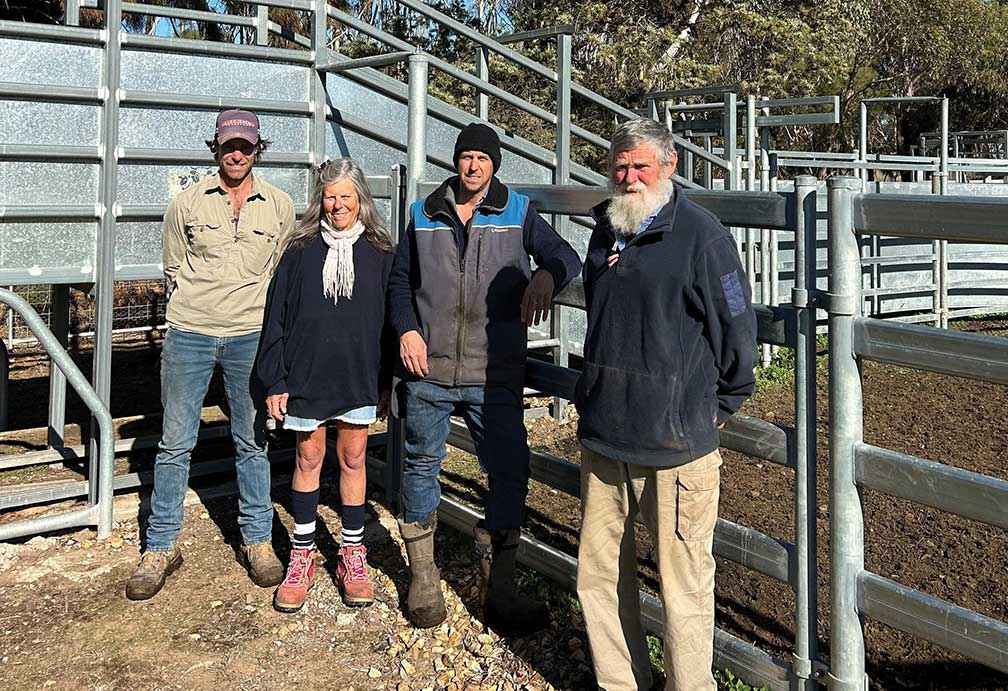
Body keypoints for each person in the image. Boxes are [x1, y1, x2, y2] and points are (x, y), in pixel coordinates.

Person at [574, 118, 757, 691]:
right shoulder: (607, 230)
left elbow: (736, 325)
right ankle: (622, 682)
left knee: (683, 588)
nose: (628, 177)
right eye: (620, 166)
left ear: (670, 166)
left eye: (640, 166)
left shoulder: (704, 238)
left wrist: (716, 406)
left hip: (677, 445)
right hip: (606, 434)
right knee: (599, 577)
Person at [387, 123, 582, 635]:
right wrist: (407, 330)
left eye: (482, 158)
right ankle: (423, 576)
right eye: (466, 156)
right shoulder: (422, 214)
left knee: (509, 470)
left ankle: (501, 585)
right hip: (427, 369)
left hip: (493, 370)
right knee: (421, 464)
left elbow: (567, 256)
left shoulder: (518, 213)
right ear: (455, 161)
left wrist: (545, 276)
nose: (473, 166)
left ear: (495, 164)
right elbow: (400, 283)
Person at [126, 109, 294, 601]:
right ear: (214, 149)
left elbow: (282, 274)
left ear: (257, 149)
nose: (236, 153)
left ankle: (257, 540)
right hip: (190, 333)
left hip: (250, 336)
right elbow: (173, 266)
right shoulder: (186, 203)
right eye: (227, 145)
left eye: (244, 145)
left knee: (253, 439)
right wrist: (194, 310)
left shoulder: (279, 206)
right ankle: (159, 546)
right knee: (176, 442)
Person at [256, 158, 394, 612]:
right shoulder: (299, 250)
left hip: (358, 372)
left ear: (361, 201)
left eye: (346, 197)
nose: (337, 205)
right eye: (330, 197)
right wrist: (275, 377)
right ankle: (303, 553)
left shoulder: (380, 253)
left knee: (353, 457)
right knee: (308, 456)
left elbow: (394, 322)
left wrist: (387, 380)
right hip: (306, 373)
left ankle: (352, 553)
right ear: (321, 201)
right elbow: (275, 315)